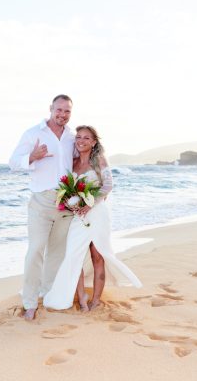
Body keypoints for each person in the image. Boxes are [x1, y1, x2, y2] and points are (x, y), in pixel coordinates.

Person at [43, 126, 142, 312]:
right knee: (74, 256)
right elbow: (65, 187)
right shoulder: (72, 163)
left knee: (98, 256)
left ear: (94, 142)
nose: (81, 140)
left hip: (98, 213)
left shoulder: (99, 160)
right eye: (78, 137)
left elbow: (108, 186)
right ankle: (82, 298)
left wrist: (90, 203)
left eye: (86, 138)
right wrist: (69, 202)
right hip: (78, 215)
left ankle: (96, 300)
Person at [9, 94, 76, 320]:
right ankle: (29, 302)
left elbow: (77, 165)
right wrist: (32, 156)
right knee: (36, 249)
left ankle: (47, 295)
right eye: (59, 110)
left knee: (57, 252)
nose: (62, 114)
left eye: (67, 111)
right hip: (41, 201)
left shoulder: (72, 137)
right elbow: (12, 163)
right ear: (50, 108)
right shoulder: (33, 133)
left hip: (66, 201)